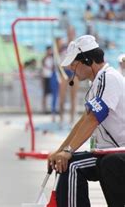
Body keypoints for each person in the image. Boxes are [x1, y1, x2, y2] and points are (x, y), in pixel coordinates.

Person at [47, 35, 125, 207]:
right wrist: (60, 151)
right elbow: (84, 120)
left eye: (74, 65)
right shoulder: (96, 84)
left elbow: (92, 119)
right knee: (68, 162)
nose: (72, 70)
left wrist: (67, 151)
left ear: (88, 60)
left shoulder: (108, 78)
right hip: (108, 151)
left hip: (119, 152)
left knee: (72, 165)